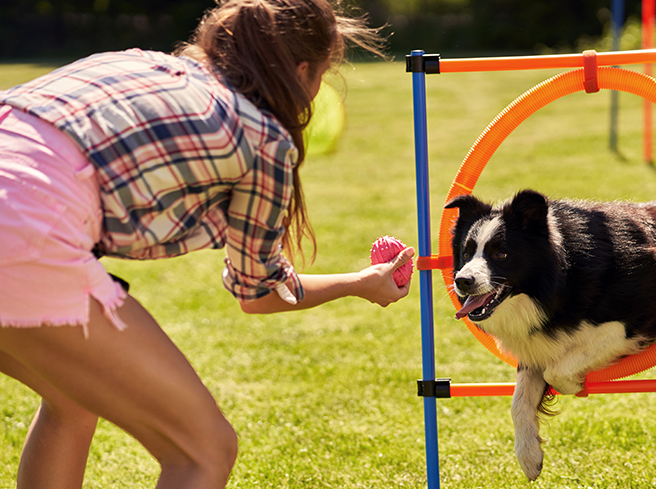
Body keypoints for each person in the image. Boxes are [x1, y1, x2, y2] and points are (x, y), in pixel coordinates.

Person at [0, 0, 414, 487]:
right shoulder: (264, 140)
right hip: (25, 233)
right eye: (323, 74)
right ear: (302, 71)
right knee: (204, 450)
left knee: (71, 396)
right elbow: (258, 294)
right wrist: (361, 283)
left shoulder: (142, 61)